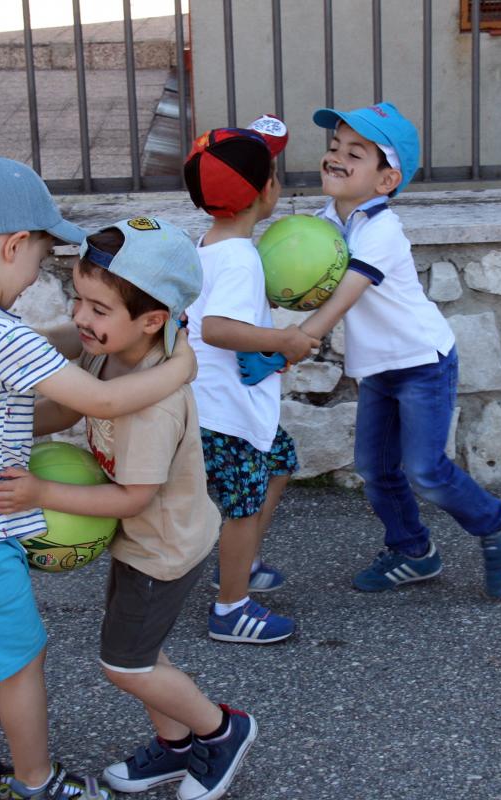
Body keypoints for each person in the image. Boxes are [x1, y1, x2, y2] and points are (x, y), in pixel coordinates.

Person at [0, 157, 198, 800]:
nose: (39, 274)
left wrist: (85, 336)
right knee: (23, 661)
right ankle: (37, 782)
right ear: (13, 246)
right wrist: (180, 369)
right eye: (40, 257)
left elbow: (35, 377)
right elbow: (105, 402)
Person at [0, 217, 258, 800]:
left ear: (152, 320)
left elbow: (135, 496)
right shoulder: (113, 353)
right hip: (139, 539)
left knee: (126, 664)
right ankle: (177, 749)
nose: (82, 317)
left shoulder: (151, 406)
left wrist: (41, 494)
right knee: (140, 652)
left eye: (98, 308)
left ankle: (221, 730)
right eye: (80, 299)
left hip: (164, 546)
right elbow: (66, 412)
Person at [253, 101, 501, 597]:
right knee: (376, 470)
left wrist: (293, 343)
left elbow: (341, 298)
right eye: (335, 147)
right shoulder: (323, 221)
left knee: (426, 470)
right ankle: (413, 551)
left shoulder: (381, 231)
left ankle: (499, 524)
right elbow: (292, 272)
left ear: (385, 181)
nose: (336, 156)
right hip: (378, 367)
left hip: (421, 363)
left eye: (356, 153)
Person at [182, 117, 318, 645]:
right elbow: (217, 328)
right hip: (225, 413)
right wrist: (282, 340)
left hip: (221, 403)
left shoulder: (208, 242)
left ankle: (241, 564)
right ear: (267, 192)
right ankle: (231, 607)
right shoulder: (240, 258)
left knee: (280, 462)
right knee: (240, 507)